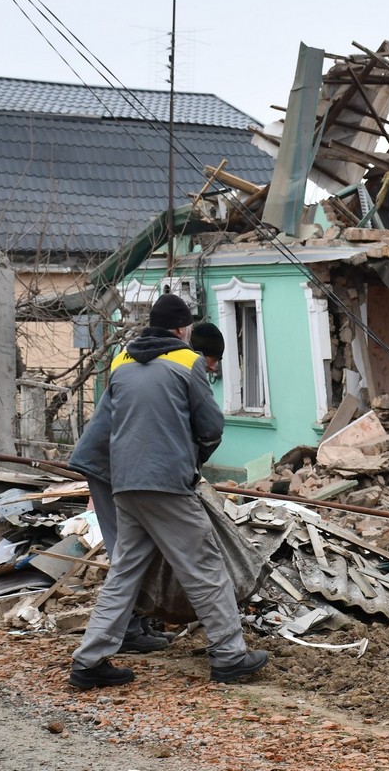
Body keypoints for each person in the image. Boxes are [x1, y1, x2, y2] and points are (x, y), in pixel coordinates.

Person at [69, 295, 267, 689]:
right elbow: (210, 426)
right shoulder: (187, 361)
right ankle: (229, 656)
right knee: (205, 568)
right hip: (167, 484)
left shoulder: (121, 362)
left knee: (124, 572)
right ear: (183, 329)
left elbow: (110, 423)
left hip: (124, 484)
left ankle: (88, 661)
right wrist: (190, 458)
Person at [67, 322, 228, 655]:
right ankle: (129, 633)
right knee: (126, 554)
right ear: (195, 351)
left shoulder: (145, 365)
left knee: (133, 555)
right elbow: (205, 428)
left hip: (127, 469)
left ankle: (116, 639)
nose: (213, 367)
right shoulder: (179, 367)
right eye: (212, 358)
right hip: (109, 467)